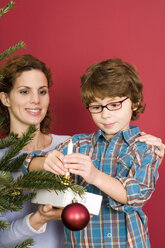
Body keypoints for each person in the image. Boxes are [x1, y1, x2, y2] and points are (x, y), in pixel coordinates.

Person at [24, 58, 164, 248]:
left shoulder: (146, 147)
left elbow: (137, 194)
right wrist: (46, 161)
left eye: (114, 104)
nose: (105, 114)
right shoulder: (79, 143)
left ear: (135, 102)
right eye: (97, 107)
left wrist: (95, 175)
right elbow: (28, 163)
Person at [0, 54, 70, 248]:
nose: (35, 100)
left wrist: (139, 144)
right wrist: (39, 218)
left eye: (42, 91)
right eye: (24, 91)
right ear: (5, 98)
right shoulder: (2, 159)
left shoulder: (70, 146)